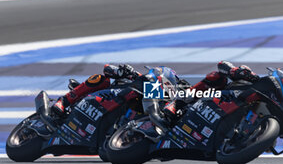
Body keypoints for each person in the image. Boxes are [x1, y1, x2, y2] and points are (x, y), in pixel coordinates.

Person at [52, 61, 260, 128]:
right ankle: (64, 102)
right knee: (104, 77)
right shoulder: (222, 77)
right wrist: (127, 73)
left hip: (186, 115)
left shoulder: (227, 92)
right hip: (163, 101)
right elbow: (222, 66)